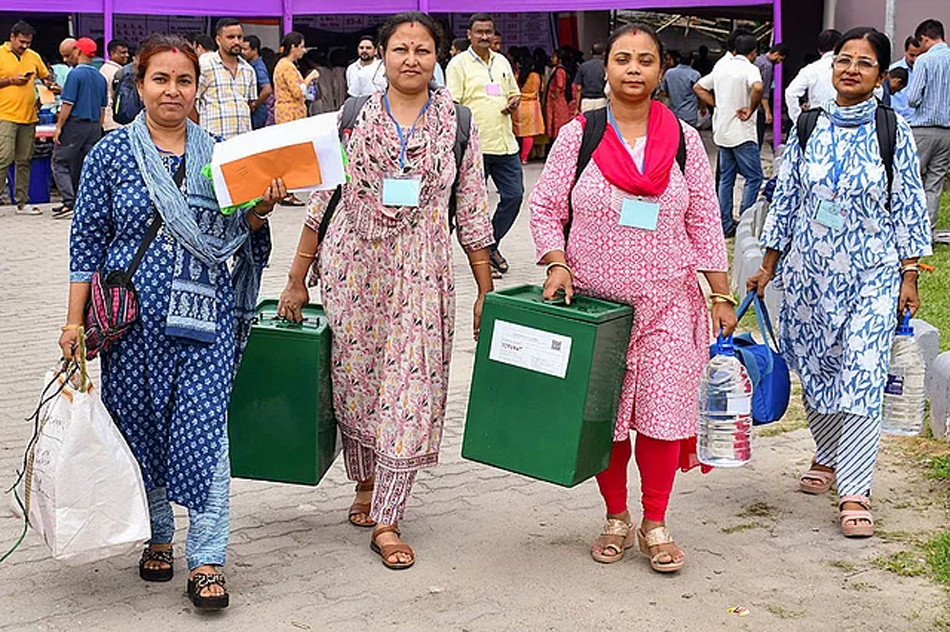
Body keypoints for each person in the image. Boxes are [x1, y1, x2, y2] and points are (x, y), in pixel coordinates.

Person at [60, 33, 280, 610]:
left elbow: (240, 238)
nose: (172, 90)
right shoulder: (111, 155)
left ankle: (207, 559)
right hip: (129, 327)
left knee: (206, 438)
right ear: (139, 86)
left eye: (184, 81)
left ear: (197, 90)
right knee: (140, 432)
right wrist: (72, 323)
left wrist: (258, 210)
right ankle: (158, 535)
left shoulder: (223, 155)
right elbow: (86, 242)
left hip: (205, 323)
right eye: (160, 79)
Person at [278, 11, 494, 570]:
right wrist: (297, 278)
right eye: (401, 48)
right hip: (354, 269)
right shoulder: (352, 118)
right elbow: (324, 202)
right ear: (382, 53)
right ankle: (367, 482)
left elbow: (471, 209)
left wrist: (484, 290)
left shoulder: (458, 124)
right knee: (359, 380)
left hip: (421, 271)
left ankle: (390, 517)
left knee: (410, 385)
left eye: (423, 50)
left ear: (437, 57)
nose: (411, 59)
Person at [531, 22, 735, 574]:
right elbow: (547, 207)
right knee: (609, 419)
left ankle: (656, 521)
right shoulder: (581, 135)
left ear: (660, 69)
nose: (634, 70)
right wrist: (556, 263)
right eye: (623, 59)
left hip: (669, 303)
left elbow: (703, 220)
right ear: (606, 67)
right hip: (599, 312)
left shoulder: (685, 140)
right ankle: (616, 516)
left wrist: (720, 292)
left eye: (645, 60)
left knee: (663, 415)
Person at [748, 27, 930, 539]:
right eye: (844, 60)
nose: (851, 69)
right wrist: (768, 264)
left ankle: (855, 488)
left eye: (864, 63)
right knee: (820, 368)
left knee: (863, 373)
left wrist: (908, 273)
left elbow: (909, 206)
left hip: (871, 275)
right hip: (808, 275)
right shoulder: (808, 126)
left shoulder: (893, 130)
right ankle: (827, 454)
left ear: (881, 75)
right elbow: (786, 199)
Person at [446, 13, 521, 277]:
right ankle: (442, 254)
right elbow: (452, 105)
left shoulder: (501, 61)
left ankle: (490, 246)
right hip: (473, 148)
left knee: (514, 196)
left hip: (505, 144)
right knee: (463, 206)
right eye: (479, 32)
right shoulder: (458, 64)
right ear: (469, 34)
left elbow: (513, 91)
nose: (485, 36)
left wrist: (514, 102)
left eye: (489, 32)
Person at [694, 33, 764, 236]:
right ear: (753, 53)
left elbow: (698, 87)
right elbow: (758, 87)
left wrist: (718, 104)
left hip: (722, 132)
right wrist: (751, 108)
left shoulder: (721, 67)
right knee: (754, 178)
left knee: (726, 179)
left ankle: (724, 224)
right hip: (742, 132)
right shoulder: (750, 69)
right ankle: (745, 222)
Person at [0, 20, 59, 216]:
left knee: (24, 159)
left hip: (29, 116)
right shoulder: (1, 54)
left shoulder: (33, 57)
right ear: (12, 37)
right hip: (5, 115)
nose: (25, 46)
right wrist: (10, 80)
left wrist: (49, 87)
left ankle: (22, 202)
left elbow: (46, 77)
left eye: (28, 42)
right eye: (22, 42)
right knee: (4, 157)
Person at [51, 37, 107, 221]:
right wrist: (98, 129)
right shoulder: (100, 77)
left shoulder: (75, 74)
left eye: (69, 54)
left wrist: (59, 126)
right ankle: (84, 202)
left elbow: (68, 103)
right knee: (83, 164)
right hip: (93, 126)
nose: (67, 59)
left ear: (78, 51)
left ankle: (69, 202)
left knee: (60, 162)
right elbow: (102, 108)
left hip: (75, 123)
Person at [905, 19, 950, 227]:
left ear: (924, 38)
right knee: (935, 182)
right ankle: (928, 228)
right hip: (946, 131)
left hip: (922, 127)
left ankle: (910, 225)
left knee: (912, 178)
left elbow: (913, 98)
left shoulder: (924, 61)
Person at [195, 18, 257, 140]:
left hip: (241, 141)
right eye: (231, 37)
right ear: (218, 40)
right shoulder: (205, 65)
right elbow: (191, 100)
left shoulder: (248, 70)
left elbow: (250, 104)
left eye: (239, 37)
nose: (236, 41)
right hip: (212, 140)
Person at [785, 29, 842, 124]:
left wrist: (799, 121)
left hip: (818, 123)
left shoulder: (811, 69)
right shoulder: (850, 68)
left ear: (819, 50)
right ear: (839, 46)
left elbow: (790, 93)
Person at [273, 32, 319, 124]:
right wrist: (310, 77)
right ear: (293, 47)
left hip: (288, 113)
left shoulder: (284, 64)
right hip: (290, 114)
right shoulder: (287, 66)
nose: (304, 50)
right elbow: (298, 92)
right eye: (302, 47)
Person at [754, 43, 789, 147]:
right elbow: (764, 92)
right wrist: (767, 112)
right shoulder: (767, 66)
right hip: (757, 107)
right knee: (758, 138)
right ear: (776, 54)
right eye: (780, 59)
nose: (779, 63)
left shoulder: (757, 60)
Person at [513, 50, 544, 164]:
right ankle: (524, 158)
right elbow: (540, 90)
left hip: (519, 106)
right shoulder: (536, 76)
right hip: (532, 106)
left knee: (517, 133)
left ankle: (516, 156)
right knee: (529, 134)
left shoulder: (518, 76)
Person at [659, 49, 700, 126]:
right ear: (692, 61)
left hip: (673, 113)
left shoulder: (669, 73)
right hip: (690, 113)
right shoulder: (695, 75)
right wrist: (703, 107)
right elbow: (700, 94)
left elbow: (663, 92)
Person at [99, 39, 129, 134]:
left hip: (107, 121)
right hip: (115, 121)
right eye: (122, 53)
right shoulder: (117, 73)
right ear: (112, 53)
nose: (126, 55)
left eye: (127, 52)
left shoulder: (104, 69)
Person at [242, 35, 272, 130]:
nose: (242, 52)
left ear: (255, 50)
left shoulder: (258, 67)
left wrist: (255, 104)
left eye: (245, 49)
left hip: (258, 111)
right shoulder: (248, 65)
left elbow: (267, 89)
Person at [889, 36, 922, 120]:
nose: (915, 59)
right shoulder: (892, 70)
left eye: (919, 55)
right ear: (905, 52)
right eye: (912, 55)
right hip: (897, 121)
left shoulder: (926, 71)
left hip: (918, 123)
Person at [545, 47, 572, 142]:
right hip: (558, 100)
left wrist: (554, 95)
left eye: (554, 57)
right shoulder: (559, 69)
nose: (552, 59)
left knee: (558, 120)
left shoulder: (559, 70)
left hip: (557, 101)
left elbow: (560, 84)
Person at [573, 41, 606, 113]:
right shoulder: (606, 67)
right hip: (602, 100)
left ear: (591, 52)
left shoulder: (583, 66)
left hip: (586, 101)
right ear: (604, 53)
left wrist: (577, 107)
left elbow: (579, 88)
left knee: (587, 123)